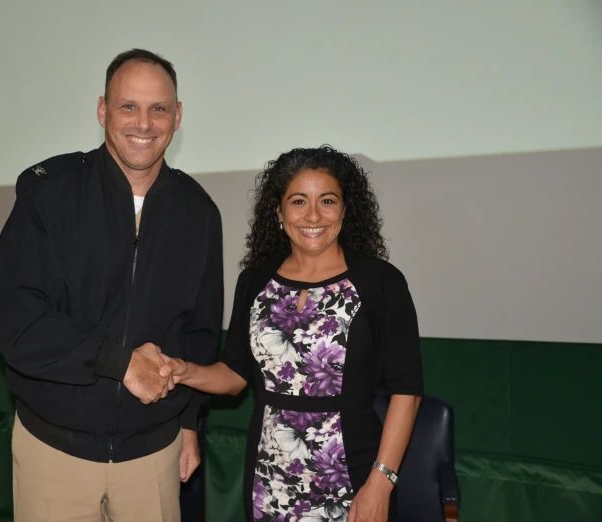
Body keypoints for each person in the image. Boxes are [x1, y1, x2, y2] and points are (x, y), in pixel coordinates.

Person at [0, 49, 223, 522]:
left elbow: (200, 332)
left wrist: (189, 422)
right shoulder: (47, 192)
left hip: (154, 454)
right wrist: (119, 362)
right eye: (128, 106)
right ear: (102, 111)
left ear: (177, 117)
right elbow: (16, 321)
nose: (144, 123)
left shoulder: (199, 212)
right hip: (54, 451)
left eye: (158, 109)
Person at [160, 146, 424, 522]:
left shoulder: (380, 282)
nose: (313, 215)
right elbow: (235, 376)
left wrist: (380, 485)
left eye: (327, 200)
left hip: (353, 480)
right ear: (279, 212)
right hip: (269, 481)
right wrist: (184, 370)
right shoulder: (254, 281)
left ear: (346, 210)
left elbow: (407, 392)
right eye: (298, 201)